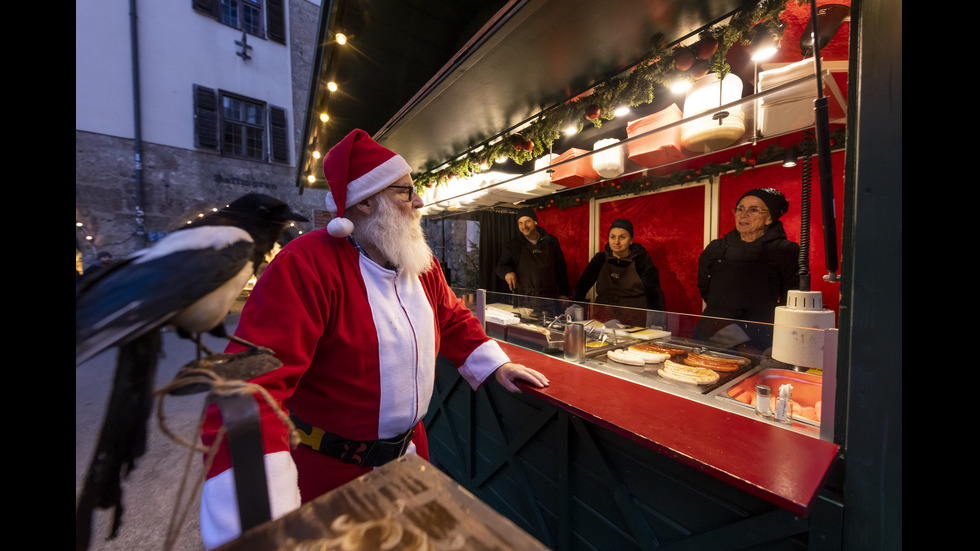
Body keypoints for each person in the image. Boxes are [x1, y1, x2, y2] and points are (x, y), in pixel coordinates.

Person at [198, 129, 550, 549]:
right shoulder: (306, 265)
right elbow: (248, 388)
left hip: (411, 458)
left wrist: (496, 364)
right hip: (329, 475)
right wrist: (261, 527)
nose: (419, 202)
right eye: (406, 192)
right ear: (364, 202)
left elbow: (452, 316)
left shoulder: (419, 263)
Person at [695, 187, 800, 350]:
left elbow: (792, 297)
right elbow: (704, 285)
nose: (744, 214)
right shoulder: (716, 248)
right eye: (740, 209)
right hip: (715, 330)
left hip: (759, 334)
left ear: (769, 218)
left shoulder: (785, 250)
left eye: (754, 210)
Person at [572, 218, 665, 312]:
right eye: (612, 237)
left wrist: (656, 324)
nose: (616, 242)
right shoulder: (600, 259)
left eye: (622, 237)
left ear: (631, 240)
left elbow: (654, 295)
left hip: (635, 320)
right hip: (602, 318)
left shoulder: (642, 261)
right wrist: (575, 307)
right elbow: (582, 286)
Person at [495, 206, 570, 298]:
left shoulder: (551, 241)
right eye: (520, 223)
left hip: (550, 298)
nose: (524, 226)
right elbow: (500, 266)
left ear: (535, 222)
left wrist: (564, 293)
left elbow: (561, 269)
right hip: (523, 299)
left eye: (527, 221)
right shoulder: (512, 245)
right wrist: (507, 272)